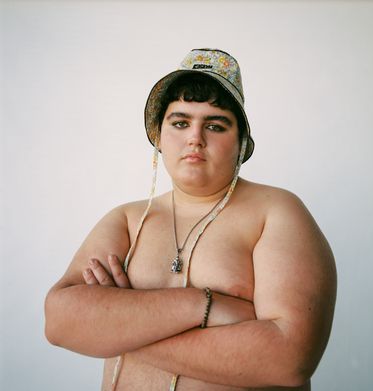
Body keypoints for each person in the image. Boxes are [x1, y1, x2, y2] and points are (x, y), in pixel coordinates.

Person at [45, 48, 337, 391]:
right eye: (180, 122)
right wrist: (207, 306)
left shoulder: (277, 212)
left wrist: (117, 326)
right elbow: (59, 322)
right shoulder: (127, 220)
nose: (195, 138)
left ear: (241, 143)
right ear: (158, 136)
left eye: (215, 125)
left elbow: (289, 360)